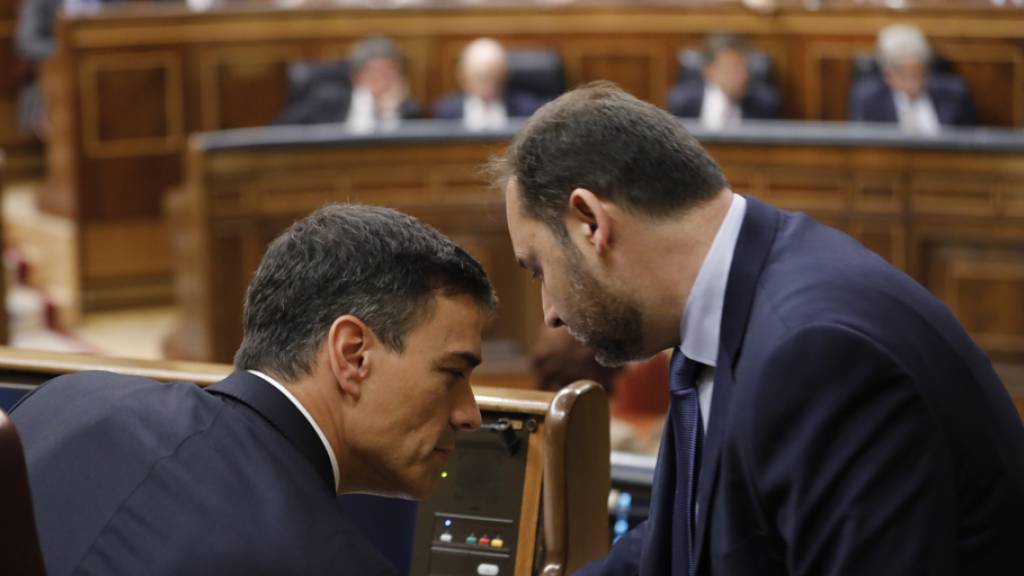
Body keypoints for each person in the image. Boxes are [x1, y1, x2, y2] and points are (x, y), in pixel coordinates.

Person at [494, 81, 1024, 574]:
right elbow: (697, 530)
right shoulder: (720, 302)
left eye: (539, 269)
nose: (550, 314)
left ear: (591, 222)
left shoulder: (818, 351)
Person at [12, 204, 496, 575]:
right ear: (352, 355)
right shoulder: (328, 562)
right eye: (453, 373)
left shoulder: (67, 400)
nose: (469, 414)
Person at [849, 23, 976, 133]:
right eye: (904, 75)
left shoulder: (954, 94)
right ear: (888, 74)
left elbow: (973, 143)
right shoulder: (869, 101)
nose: (912, 82)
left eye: (917, 74)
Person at [275, 36, 420, 131]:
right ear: (357, 77)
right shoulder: (327, 101)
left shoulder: (409, 111)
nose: (386, 79)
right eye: (377, 72)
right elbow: (278, 134)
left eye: (392, 71)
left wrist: (390, 112)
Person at [666, 34, 780, 130]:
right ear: (709, 71)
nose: (742, 75)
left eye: (744, 67)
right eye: (732, 68)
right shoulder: (682, 102)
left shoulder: (764, 104)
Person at [433, 38, 542, 130]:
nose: (489, 85)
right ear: (463, 76)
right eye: (480, 77)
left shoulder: (526, 109)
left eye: (494, 77)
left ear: (504, 74)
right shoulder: (446, 112)